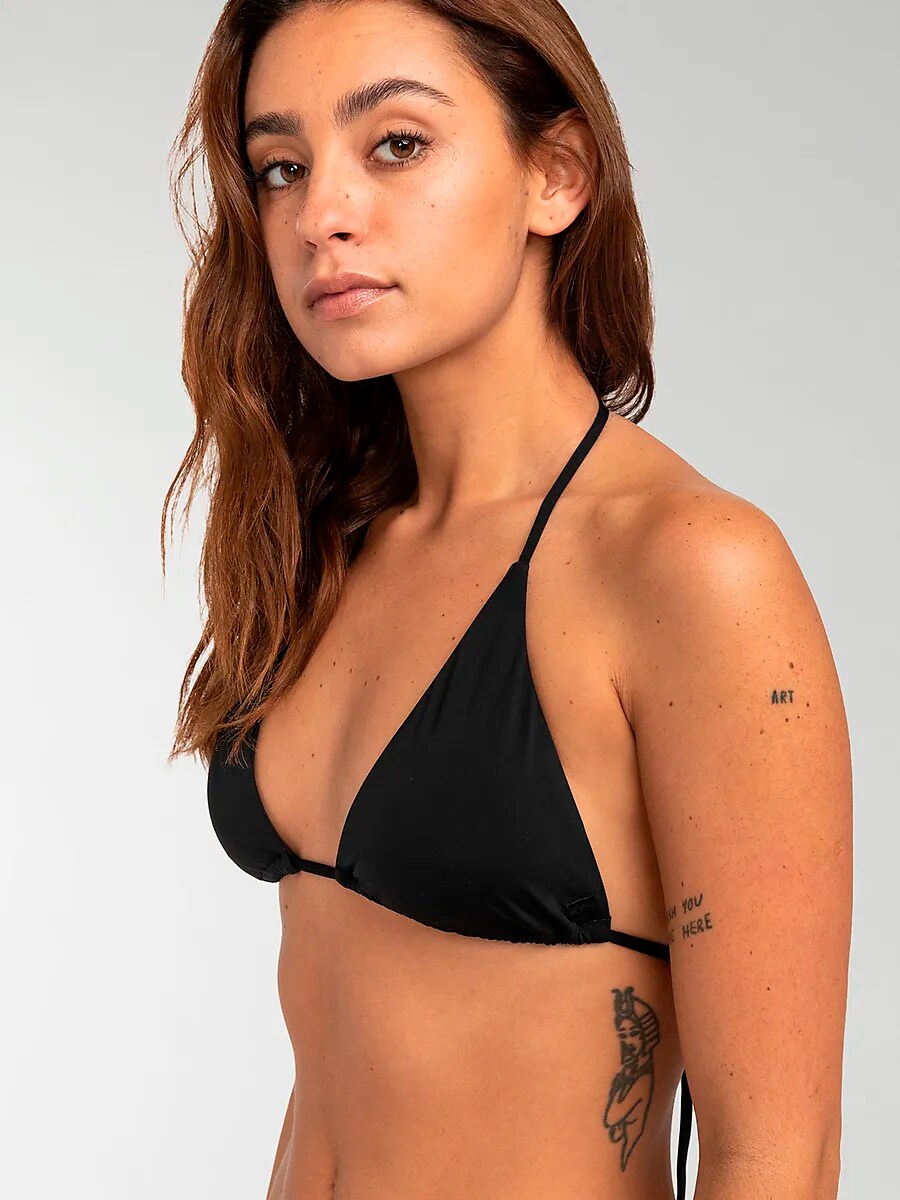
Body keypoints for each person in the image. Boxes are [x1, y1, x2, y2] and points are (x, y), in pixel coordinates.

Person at [164, 1, 852, 1197]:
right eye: (282, 166)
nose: (322, 214)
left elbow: (777, 1156)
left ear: (556, 175)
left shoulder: (691, 569)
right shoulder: (327, 539)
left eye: (396, 144)